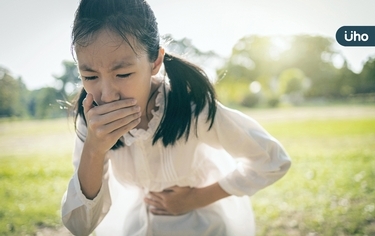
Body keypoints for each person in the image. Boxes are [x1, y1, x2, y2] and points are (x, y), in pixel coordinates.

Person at [61, 0, 291, 235]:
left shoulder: (190, 108)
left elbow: (273, 160)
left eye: (123, 74)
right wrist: (94, 149)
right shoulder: (90, 120)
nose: (107, 95)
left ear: (155, 62)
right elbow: (80, 225)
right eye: (89, 76)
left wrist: (196, 198)